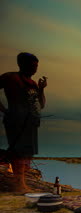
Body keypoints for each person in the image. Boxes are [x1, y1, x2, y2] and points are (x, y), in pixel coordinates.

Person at [0, 52, 47, 193]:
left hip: (31, 122)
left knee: (27, 153)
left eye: (36, 66)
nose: (35, 69)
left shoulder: (32, 84)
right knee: (18, 152)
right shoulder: (10, 77)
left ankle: (22, 183)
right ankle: (18, 184)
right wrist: (4, 110)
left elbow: (41, 105)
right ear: (22, 64)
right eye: (32, 65)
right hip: (16, 121)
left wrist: (41, 89)